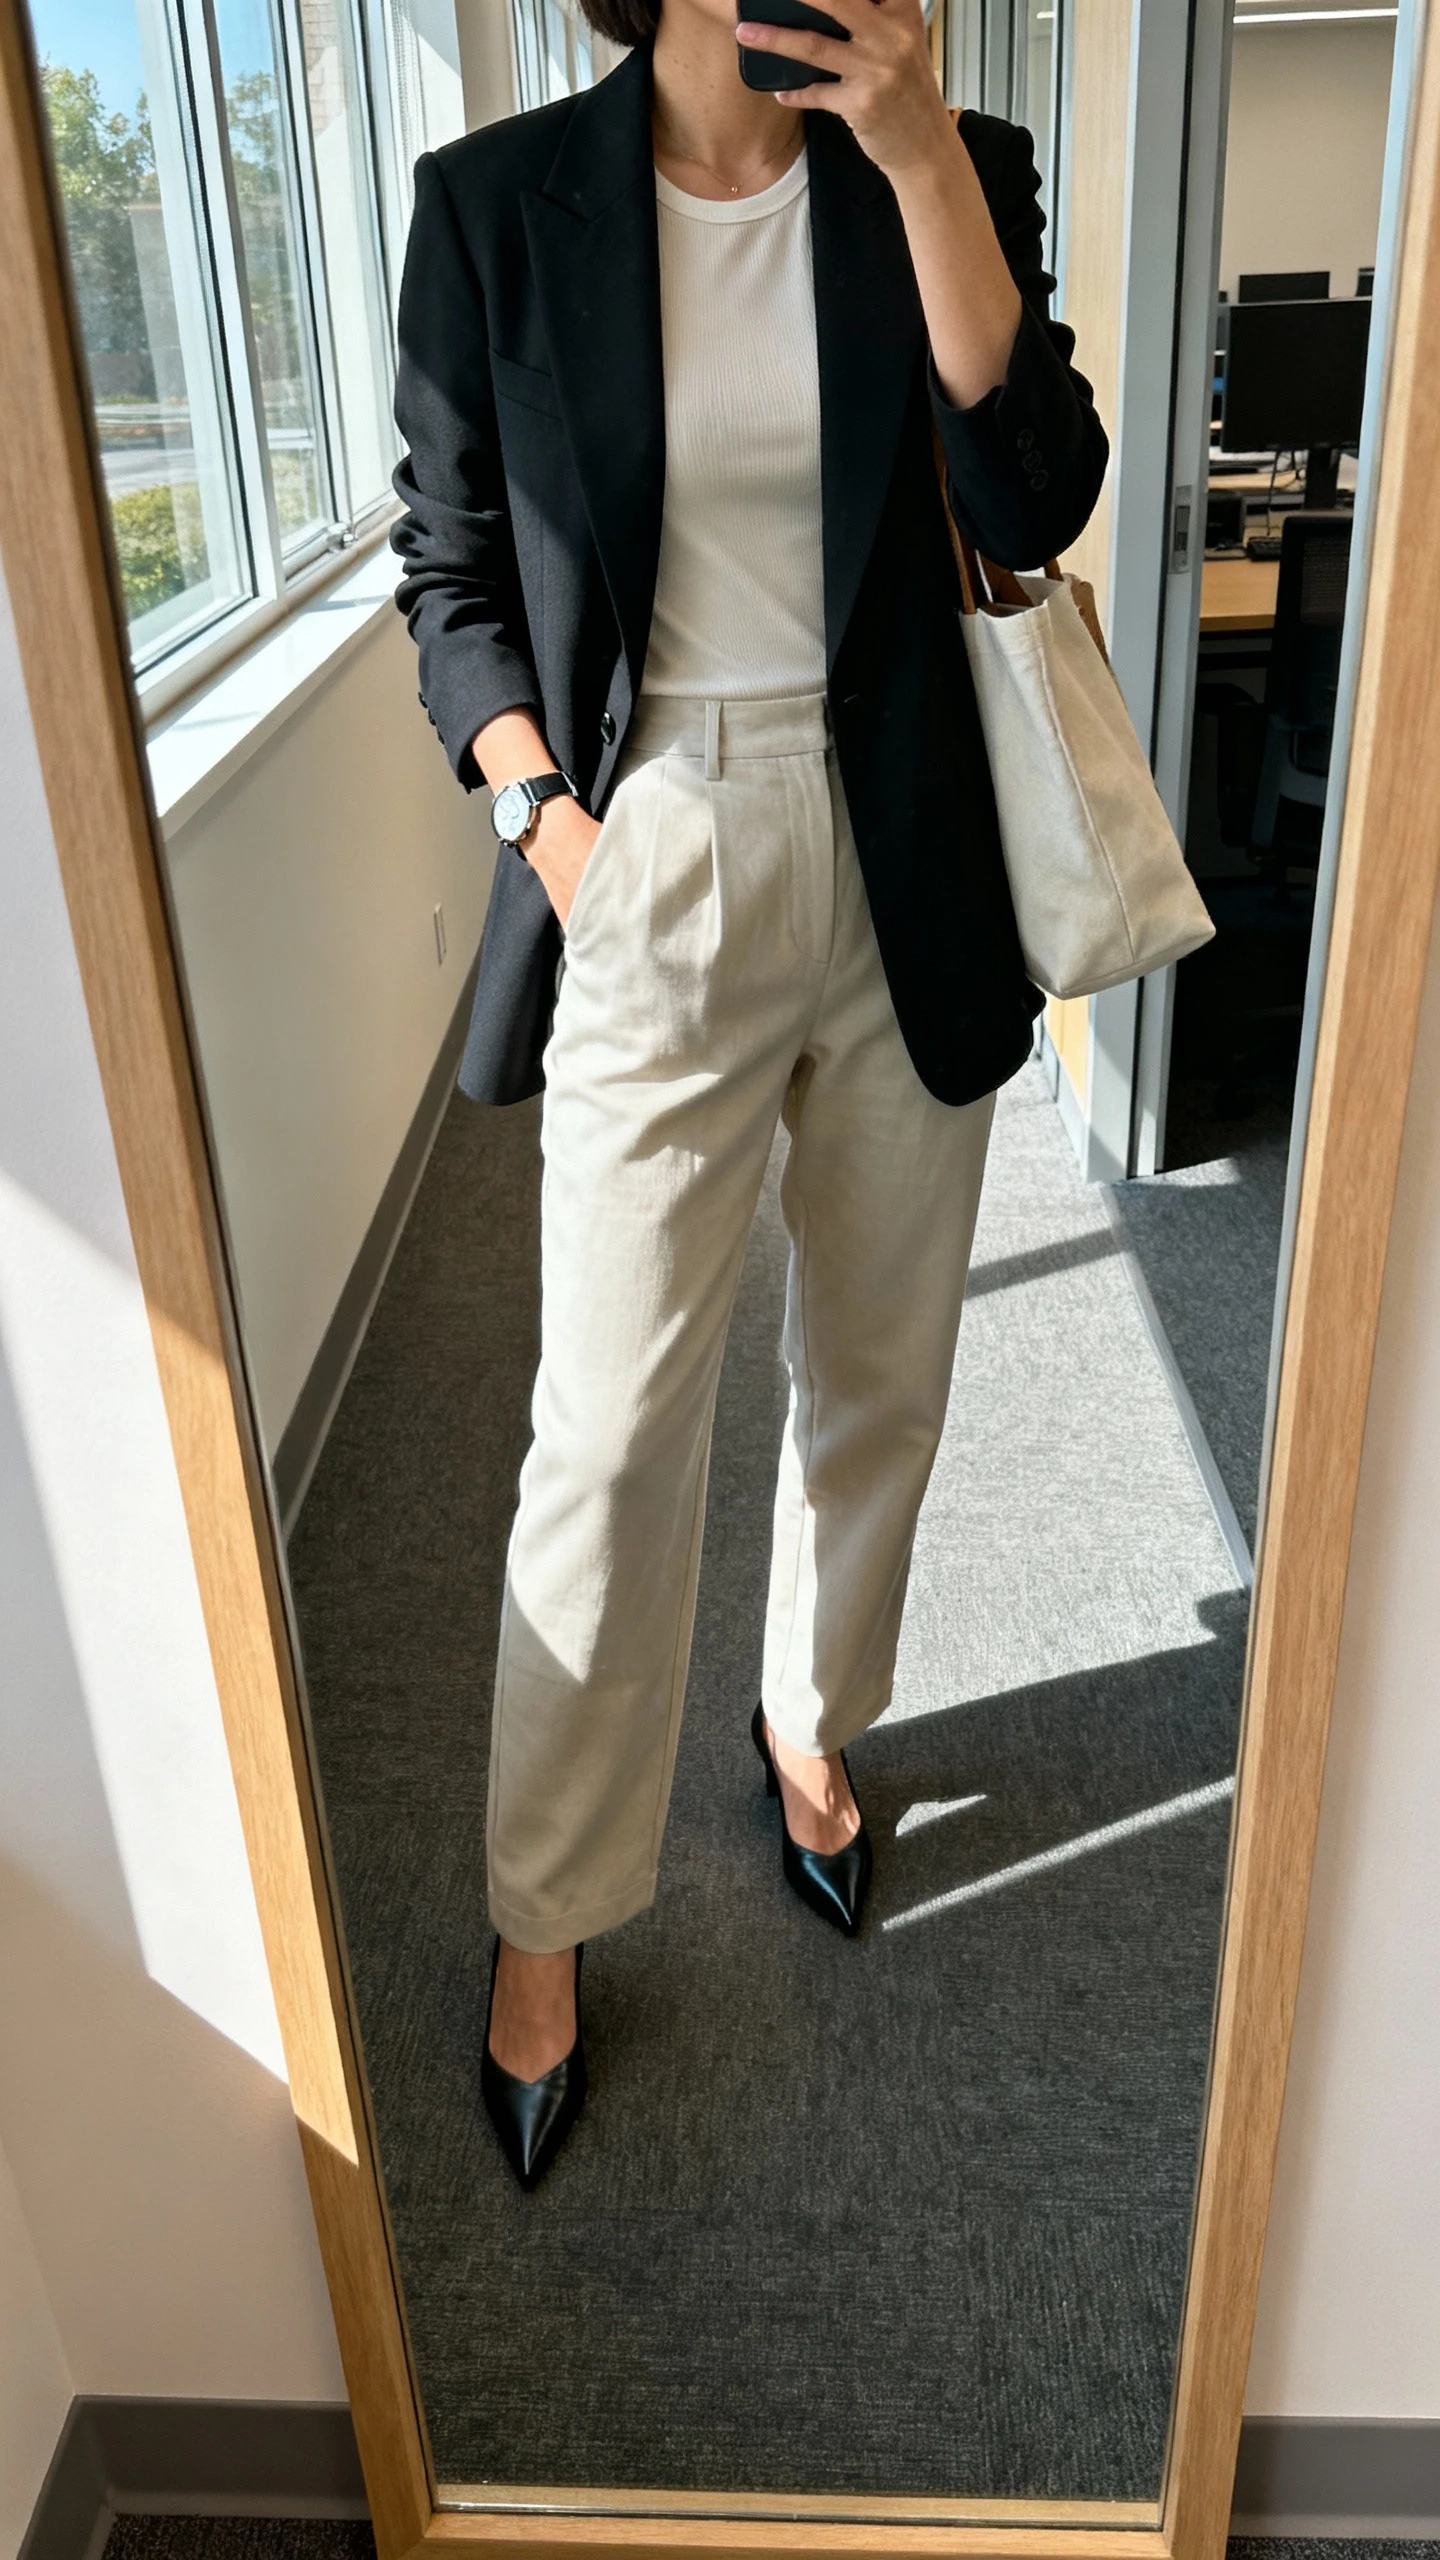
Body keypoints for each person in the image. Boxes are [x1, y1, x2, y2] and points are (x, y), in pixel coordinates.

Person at [392, 0, 1107, 2189]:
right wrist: (549, 826)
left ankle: (813, 1719)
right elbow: (450, 570)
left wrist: (920, 159)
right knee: (608, 1432)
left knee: (877, 1373)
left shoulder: (952, 160)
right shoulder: (496, 207)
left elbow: (1038, 489)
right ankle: (545, 1903)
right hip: (654, 849)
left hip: (907, 849)